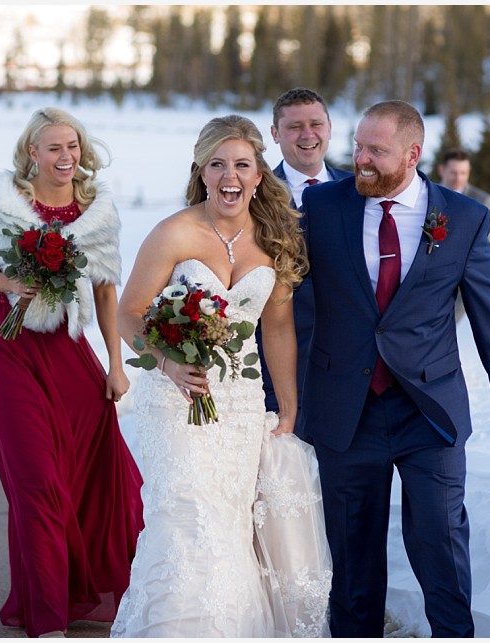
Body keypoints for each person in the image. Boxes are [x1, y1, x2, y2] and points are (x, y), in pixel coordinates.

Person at [299, 100, 490, 638]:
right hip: (345, 411)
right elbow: (287, 301)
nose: (361, 160)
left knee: (440, 544)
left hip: (428, 409)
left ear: (412, 154)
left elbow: (488, 307)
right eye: (358, 146)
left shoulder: (465, 216)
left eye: (376, 151)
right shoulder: (323, 208)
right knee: (353, 561)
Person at [111, 114, 332, 638]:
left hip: (240, 405)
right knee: (186, 517)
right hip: (173, 400)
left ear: (259, 174)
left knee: (229, 526)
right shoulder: (174, 232)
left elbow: (276, 331)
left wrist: (291, 406)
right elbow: (129, 312)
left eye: (241, 165)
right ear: (201, 171)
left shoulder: (276, 240)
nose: (229, 176)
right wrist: (166, 361)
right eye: (217, 165)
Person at [0, 107, 144, 638]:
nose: (66, 157)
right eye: (54, 148)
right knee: (36, 482)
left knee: (86, 477)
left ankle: (76, 589)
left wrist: (115, 364)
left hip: (70, 353)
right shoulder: (4, 203)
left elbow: (106, 291)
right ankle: (47, 619)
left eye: (73, 147)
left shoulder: (97, 212)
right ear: (32, 152)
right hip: (12, 350)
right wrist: (12, 285)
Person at [257, 88, 353, 436]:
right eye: (295, 126)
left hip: (349, 369)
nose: (307, 135)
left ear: (329, 127)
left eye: (316, 124)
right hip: (275, 364)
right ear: (275, 134)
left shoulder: (359, 190)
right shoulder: (253, 194)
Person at [437, 148, 490, 323]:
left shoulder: (482, 201)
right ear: (442, 170)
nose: (458, 178)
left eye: (463, 173)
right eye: (453, 173)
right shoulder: (428, 196)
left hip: (462, 282)